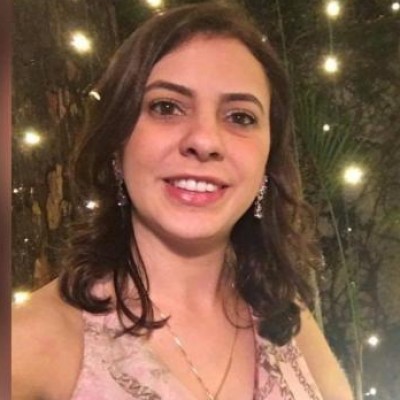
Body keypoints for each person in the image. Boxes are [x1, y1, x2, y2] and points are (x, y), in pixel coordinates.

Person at [12, 3, 354, 400]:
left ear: (267, 160)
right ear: (117, 142)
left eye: (240, 117)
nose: (204, 140)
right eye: (166, 107)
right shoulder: (33, 343)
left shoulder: (285, 318)